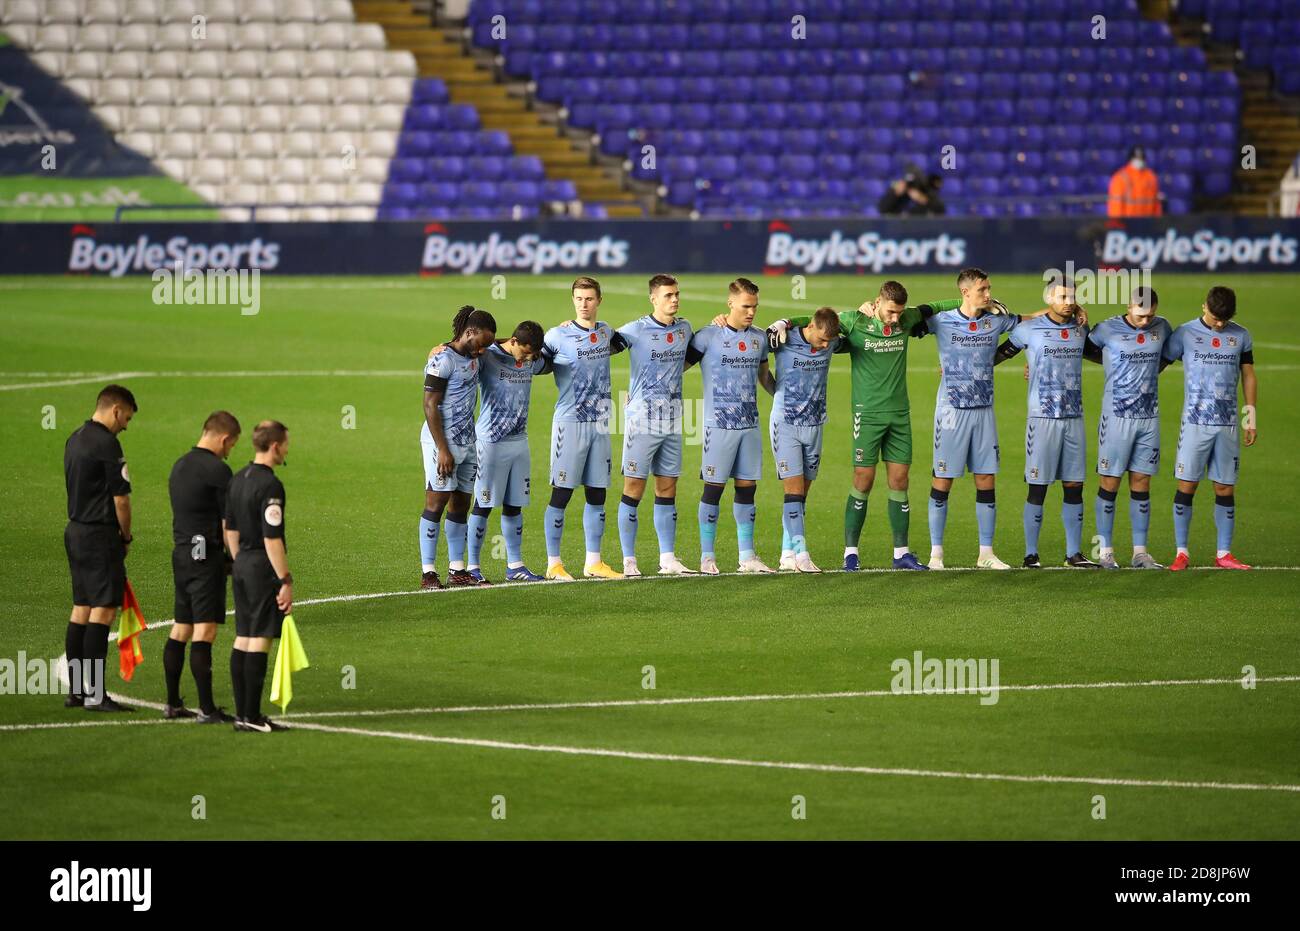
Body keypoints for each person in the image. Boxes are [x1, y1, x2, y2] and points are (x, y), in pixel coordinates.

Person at [768, 282, 960, 571]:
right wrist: (785, 321)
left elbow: (935, 307)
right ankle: (850, 553)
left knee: (900, 481)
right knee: (863, 480)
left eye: (899, 313)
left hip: (899, 414)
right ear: (878, 302)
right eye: (891, 311)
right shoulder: (854, 321)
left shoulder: (906, 319)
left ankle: (901, 553)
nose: (896, 318)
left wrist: (973, 302)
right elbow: (817, 321)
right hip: (866, 415)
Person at [993, 282, 1098, 568]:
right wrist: (961, 364)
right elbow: (999, 355)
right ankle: (1031, 554)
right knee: (1038, 486)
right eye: (1062, 296)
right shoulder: (1028, 330)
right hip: (1042, 419)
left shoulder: (1081, 329)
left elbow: (1101, 355)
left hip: (1074, 418)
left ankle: (1074, 554)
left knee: (1074, 485)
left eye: (1072, 296)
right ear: (1049, 298)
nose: (1068, 301)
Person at [1162, 286, 1257, 570]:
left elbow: (1248, 375)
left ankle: (1224, 554)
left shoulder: (1240, 335)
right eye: (1215, 318)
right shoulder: (1185, 334)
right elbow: (1157, 363)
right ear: (1204, 306)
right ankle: (1181, 552)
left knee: (1225, 487)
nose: (1219, 324)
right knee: (1187, 485)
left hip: (1227, 425)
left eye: (1224, 320)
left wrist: (1249, 415)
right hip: (1194, 424)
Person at [688, 277, 774, 574]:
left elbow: (765, 378)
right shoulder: (707, 336)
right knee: (713, 489)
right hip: (718, 425)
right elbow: (677, 367)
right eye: (746, 306)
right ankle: (707, 556)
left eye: (755, 306)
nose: (751, 312)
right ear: (730, 304)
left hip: (749, 426)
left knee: (747, 489)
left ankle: (747, 556)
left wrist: (784, 397)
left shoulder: (760, 338)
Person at [614, 273, 698, 577]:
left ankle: (668, 558)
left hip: (674, 419)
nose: (674, 299)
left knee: (667, 487)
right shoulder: (635, 330)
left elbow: (688, 359)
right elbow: (600, 350)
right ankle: (629, 560)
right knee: (634, 487)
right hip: (642, 421)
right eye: (668, 295)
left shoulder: (685, 328)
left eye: (676, 294)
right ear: (653, 299)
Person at [540, 277, 624, 581]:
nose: (584, 304)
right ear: (573, 300)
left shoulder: (606, 333)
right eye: (578, 298)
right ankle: (554, 564)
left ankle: (594, 562)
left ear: (599, 300)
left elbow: (630, 342)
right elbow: (535, 362)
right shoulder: (557, 335)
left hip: (600, 423)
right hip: (570, 423)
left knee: (597, 492)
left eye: (589, 298)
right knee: (562, 492)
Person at [1083, 287, 1172, 569]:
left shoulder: (1163, 327)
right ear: (1129, 306)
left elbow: (1168, 355)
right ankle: (1105, 551)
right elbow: (1081, 348)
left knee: (1142, 482)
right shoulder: (1106, 329)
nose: (1145, 321)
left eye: (1150, 316)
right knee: (1110, 482)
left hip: (1149, 418)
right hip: (1116, 418)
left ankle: (1140, 552)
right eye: (1140, 315)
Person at [62, 384, 137, 712]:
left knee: (81, 608)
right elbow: (121, 499)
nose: (126, 425)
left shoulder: (74, 438)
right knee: (103, 611)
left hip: (75, 531)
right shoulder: (108, 444)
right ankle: (96, 695)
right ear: (116, 409)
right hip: (99, 535)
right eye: (127, 418)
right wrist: (125, 536)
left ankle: (77, 691)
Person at [165, 411, 241, 722]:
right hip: (205, 558)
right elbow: (228, 524)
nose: (229, 451)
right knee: (205, 630)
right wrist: (236, 559)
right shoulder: (218, 472)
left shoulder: (179, 466)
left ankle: (172, 703)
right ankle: (207, 709)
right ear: (224, 439)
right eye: (231, 445)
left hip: (182, 554)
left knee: (181, 627)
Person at [463, 321, 549, 583]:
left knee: (515, 506)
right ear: (512, 342)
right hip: (490, 441)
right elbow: (460, 349)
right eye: (523, 352)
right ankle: (472, 568)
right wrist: (440, 347)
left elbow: (557, 358)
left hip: (519, 441)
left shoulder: (533, 359)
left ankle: (515, 566)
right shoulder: (488, 355)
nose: (527, 360)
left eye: (531, 355)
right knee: (483, 505)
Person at [419, 305, 496, 588]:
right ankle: (428, 572)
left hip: (468, 441)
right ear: (469, 332)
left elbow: (494, 343)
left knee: (461, 503)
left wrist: (504, 341)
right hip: (442, 443)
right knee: (436, 501)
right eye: (481, 343)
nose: (482, 350)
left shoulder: (474, 353)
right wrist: (442, 448)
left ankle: (457, 569)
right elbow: (429, 404)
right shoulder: (443, 359)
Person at [225, 420, 293, 733]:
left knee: (243, 637)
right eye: (286, 443)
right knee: (260, 640)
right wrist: (284, 579)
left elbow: (229, 528)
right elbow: (272, 539)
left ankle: (243, 715)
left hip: (241, 564)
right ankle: (251, 717)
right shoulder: (270, 485)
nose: (288, 449)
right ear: (276, 445)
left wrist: (240, 561)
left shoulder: (238, 479)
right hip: (262, 566)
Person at [767, 306, 842, 572]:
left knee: (801, 497)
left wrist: (787, 319)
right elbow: (754, 350)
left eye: (829, 342)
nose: (825, 346)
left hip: (815, 425)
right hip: (785, 424)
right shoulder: (782, 339)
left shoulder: (831, 342)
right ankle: (801, 554)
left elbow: (855, 323)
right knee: (794, 492)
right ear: (810, 327)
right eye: (821, 339)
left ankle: (787, 553)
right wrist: (783, 322)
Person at [1106, 146, 1162, 217]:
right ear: (1130, 159)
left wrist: (1156, 221)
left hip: (1148, 222)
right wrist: (1117, 224)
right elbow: (1115, 206)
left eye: (1141, 158)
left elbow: (1156, 204)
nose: (1138, 161)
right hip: (1128, 223)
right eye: (1135, 158)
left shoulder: (1151, 177)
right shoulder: (1120, 177)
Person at [878, 169, 946, 216]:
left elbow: (941, 210)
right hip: (899, 229)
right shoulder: (898, 193)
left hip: (922, 230)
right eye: (908, 183)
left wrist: (922, 199)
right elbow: (882, 209)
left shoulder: (925, 192)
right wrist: (895, 194)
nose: (910, 186)